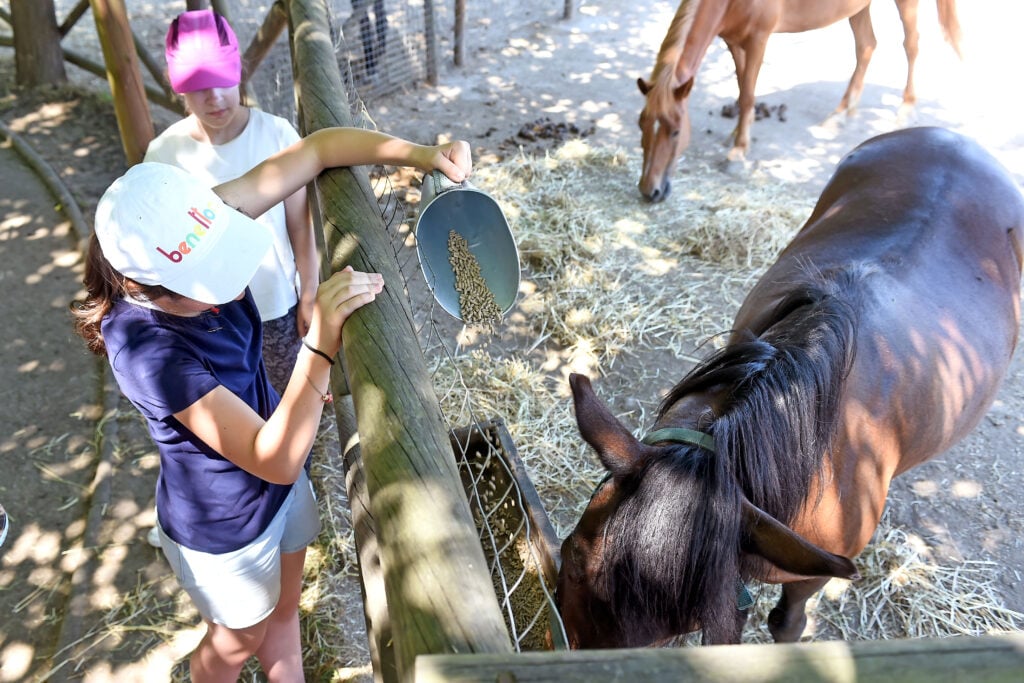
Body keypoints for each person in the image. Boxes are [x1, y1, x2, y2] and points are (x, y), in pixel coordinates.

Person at [72, 128, 471, 682]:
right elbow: (274, 456)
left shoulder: (196, 228)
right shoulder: (148, 352)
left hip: (277, 486)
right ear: (150, 286)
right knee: (237, 641)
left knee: (284, 610)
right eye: (210, 281)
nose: (237, 285)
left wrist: (423, 156)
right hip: (225, 526)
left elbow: (317, 150)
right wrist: (319, 346)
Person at [146, 9, 315, 398]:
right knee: (237, 407)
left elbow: (300, 223)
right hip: (207, 315)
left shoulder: (277, 135)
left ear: (238, 70)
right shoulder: (163, 154)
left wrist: (310, 290)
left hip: (275, 305)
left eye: (222, 80)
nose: (215, 97)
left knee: (291, 399)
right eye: (198, 87)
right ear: (178, 87)